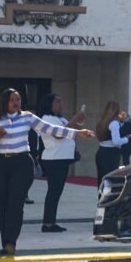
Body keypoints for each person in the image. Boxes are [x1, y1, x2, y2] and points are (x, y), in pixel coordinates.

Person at [0, 88, 94, 256]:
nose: (16, 102)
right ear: (5, 102)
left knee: (16, 204)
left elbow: (51, 129)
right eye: (12, 99)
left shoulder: (27, 116)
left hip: (22, 162)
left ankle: (11, 242)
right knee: (3, 204)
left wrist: (77, 132)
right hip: (1, 163)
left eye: (18, 99)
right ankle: (5, 242)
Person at [38, 93, 86, 233]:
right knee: (53, 192)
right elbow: (58, 134)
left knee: (56, 192)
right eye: (57, 101)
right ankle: (48, 223)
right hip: (54, 158)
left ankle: (50, 221)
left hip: (61, 158)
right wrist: (75, 118)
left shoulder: (61, 119)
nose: (61, 103)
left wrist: (79, 121)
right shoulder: (46, 118)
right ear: (50, 104)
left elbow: (70, 130)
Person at [95, 101, 131, 183]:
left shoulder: (102, 122)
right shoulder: (114, 123)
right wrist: (126, 139)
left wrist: (121, 122)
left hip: (101, 151)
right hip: (111, 154)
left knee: (102, 179)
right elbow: (116, 141)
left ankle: (101, 195)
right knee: (111, 179)